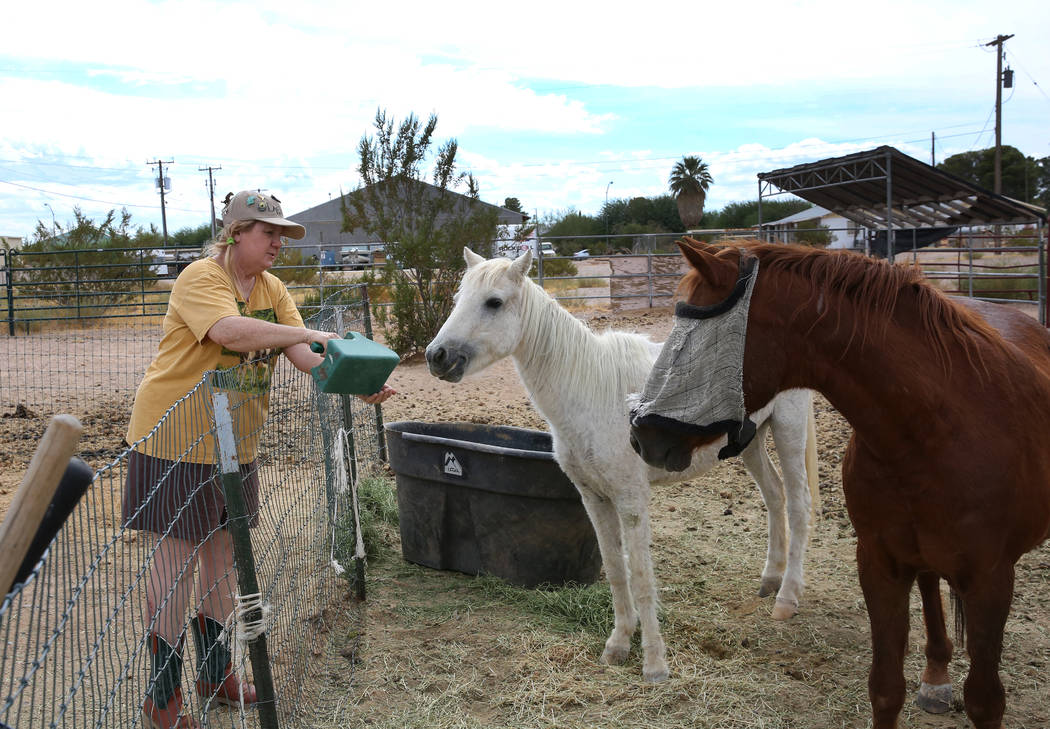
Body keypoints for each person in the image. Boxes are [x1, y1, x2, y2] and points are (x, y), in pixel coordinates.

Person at [123, 190, 395, 729]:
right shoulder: (202, 278)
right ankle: (162, 695)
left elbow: (302, 356)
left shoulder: (272, 288)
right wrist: (309, 332)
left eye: (280, 234)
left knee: (225, 562)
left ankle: (215, 673)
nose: (277, 243)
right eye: (267, 232)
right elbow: (229, 331)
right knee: (176, 566)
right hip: (176, 442)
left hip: (235, 446)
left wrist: (352, 378)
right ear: (234, 234)